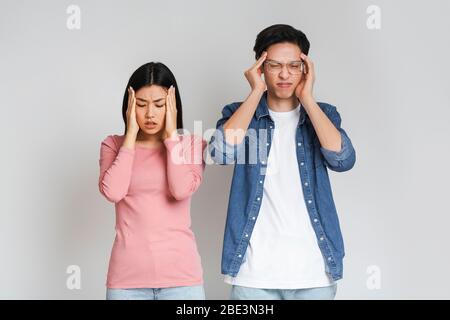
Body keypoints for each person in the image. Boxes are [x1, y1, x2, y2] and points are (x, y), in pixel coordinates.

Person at [209, 24, 356, 300]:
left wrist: (308, 99)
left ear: (305, 69)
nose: (285, 74)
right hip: (253, 275)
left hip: (314, 272)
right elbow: (220, 153)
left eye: (293, 66)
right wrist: (255, 93)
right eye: (275, 65)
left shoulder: (323, 115)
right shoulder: (240, 114)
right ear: (261, 67)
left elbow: (343, 159)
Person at [98, 62, 206, 300]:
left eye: (159, 105)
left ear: (172, 106)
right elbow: (113, 192)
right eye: (141, 104)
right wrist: (130, 140)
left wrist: (170, 137)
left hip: (182, 280)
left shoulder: (191, 145)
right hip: (126, 282)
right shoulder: (113, 145)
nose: (149, 114)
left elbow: (180, 190)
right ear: (129, 106)